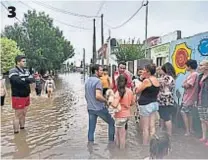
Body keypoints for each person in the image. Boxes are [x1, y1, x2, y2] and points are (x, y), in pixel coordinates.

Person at [85, 64, 115, 142]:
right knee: (112, 122)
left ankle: (90, 146)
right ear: (96, 71)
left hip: (90, 108)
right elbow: (98, 96)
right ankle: (111, 144)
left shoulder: (87, 80)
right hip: (99, 108)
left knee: (91, 129)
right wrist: (106, 101)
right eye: (101, 70)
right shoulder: (98, 81)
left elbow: (86, 95)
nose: (102, 72)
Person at [9, 55, 34, 134]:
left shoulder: (26, 71)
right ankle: (16, 133)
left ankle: (22, 130)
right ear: (18, 62)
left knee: (24, 114)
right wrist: (27, 79)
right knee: (17, 115)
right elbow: (16, 81)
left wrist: (24, 79)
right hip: (18, 96)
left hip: (26, 95)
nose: (25, 63)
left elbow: (32, 79)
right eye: (23, 61)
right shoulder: (13, 71)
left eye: (25, 61)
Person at [135, 64, 160, 145]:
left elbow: (137, 90)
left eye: (144, 70)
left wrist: (142, 78)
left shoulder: (147, 81)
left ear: (148, 72)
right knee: (152, 126)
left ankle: (145, 146)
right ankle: (152, 145)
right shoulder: (156, 80)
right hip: (154, 104)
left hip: (146, 105)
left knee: (145, 128)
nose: (143, 71)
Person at [111, 75, 135, 149]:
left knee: (119, 136)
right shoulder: (130, 91)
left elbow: (114, 105)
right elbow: (132, 103)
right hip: (127, 115)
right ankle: (121, 152)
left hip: (120, 116)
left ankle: (120, 153)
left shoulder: (118, 92)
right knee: (122, 134)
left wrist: (110, 100)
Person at [111, 61, 133, 130]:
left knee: (123, 112)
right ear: (118, 67)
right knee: (117, 112)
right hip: (117, 94)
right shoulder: (114, 74)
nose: (122, 70)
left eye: (124, 68)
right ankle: (120, 130)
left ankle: (124, 129)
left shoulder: (127, 75)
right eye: (121, 68)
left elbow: (129, 85)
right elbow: (113, 84)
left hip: (124, 95)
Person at [157, 62, 176, 136]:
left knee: (166, 116)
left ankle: (169, 133)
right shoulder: (169, 77)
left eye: (161, 69)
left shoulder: (167, 77)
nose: (160, 71)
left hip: (165, 99)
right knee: (163, 115)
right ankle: (163, 130)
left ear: (165, 69)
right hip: (165, 98)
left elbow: (161, 84)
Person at [181, 59, 198, 136]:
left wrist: (183, 84)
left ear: (189, 66)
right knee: (189, 113)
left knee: (184, 112)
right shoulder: (194, 74)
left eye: (186, 66)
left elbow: (187, 85)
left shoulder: (193, 74)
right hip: (191, 97)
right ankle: (191, 129)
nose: (185, 67)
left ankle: (188, 130)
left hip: (189, 97)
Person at [197, 60, 208, 146]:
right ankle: (204, 137)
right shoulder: (200, 76)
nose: (199, 67)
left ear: (206, 67)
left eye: (201, 65)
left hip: (206, 101)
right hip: (200, 100)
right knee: (202, 120)